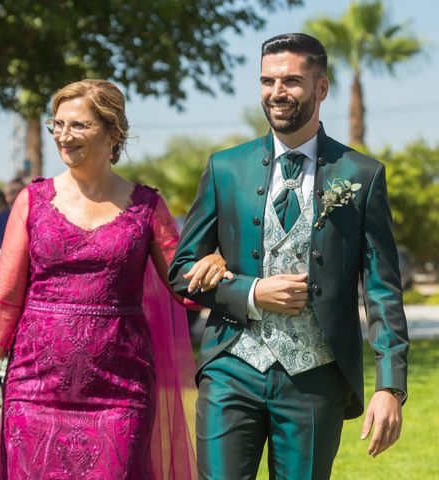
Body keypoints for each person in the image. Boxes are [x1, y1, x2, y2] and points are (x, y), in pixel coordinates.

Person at [169, 33, 409, 479]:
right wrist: (252, 292)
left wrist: (390, 385)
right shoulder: (225, 167)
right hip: (231, 368)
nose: (276, 92)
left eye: (291, 81)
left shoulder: (361, 174)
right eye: (267, 81)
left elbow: (381, 288)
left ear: (321, 88)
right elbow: (181, 271)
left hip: (316, 377)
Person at [0, 79, 228, 479]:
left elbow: (185, 286)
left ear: (113, 132)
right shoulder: (30, 202)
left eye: (79, 126)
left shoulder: (147, 206)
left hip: (119, 392)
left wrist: (218, 266)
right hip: (34, 391)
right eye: (58, 124)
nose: (63, 136)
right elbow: (3, 300)